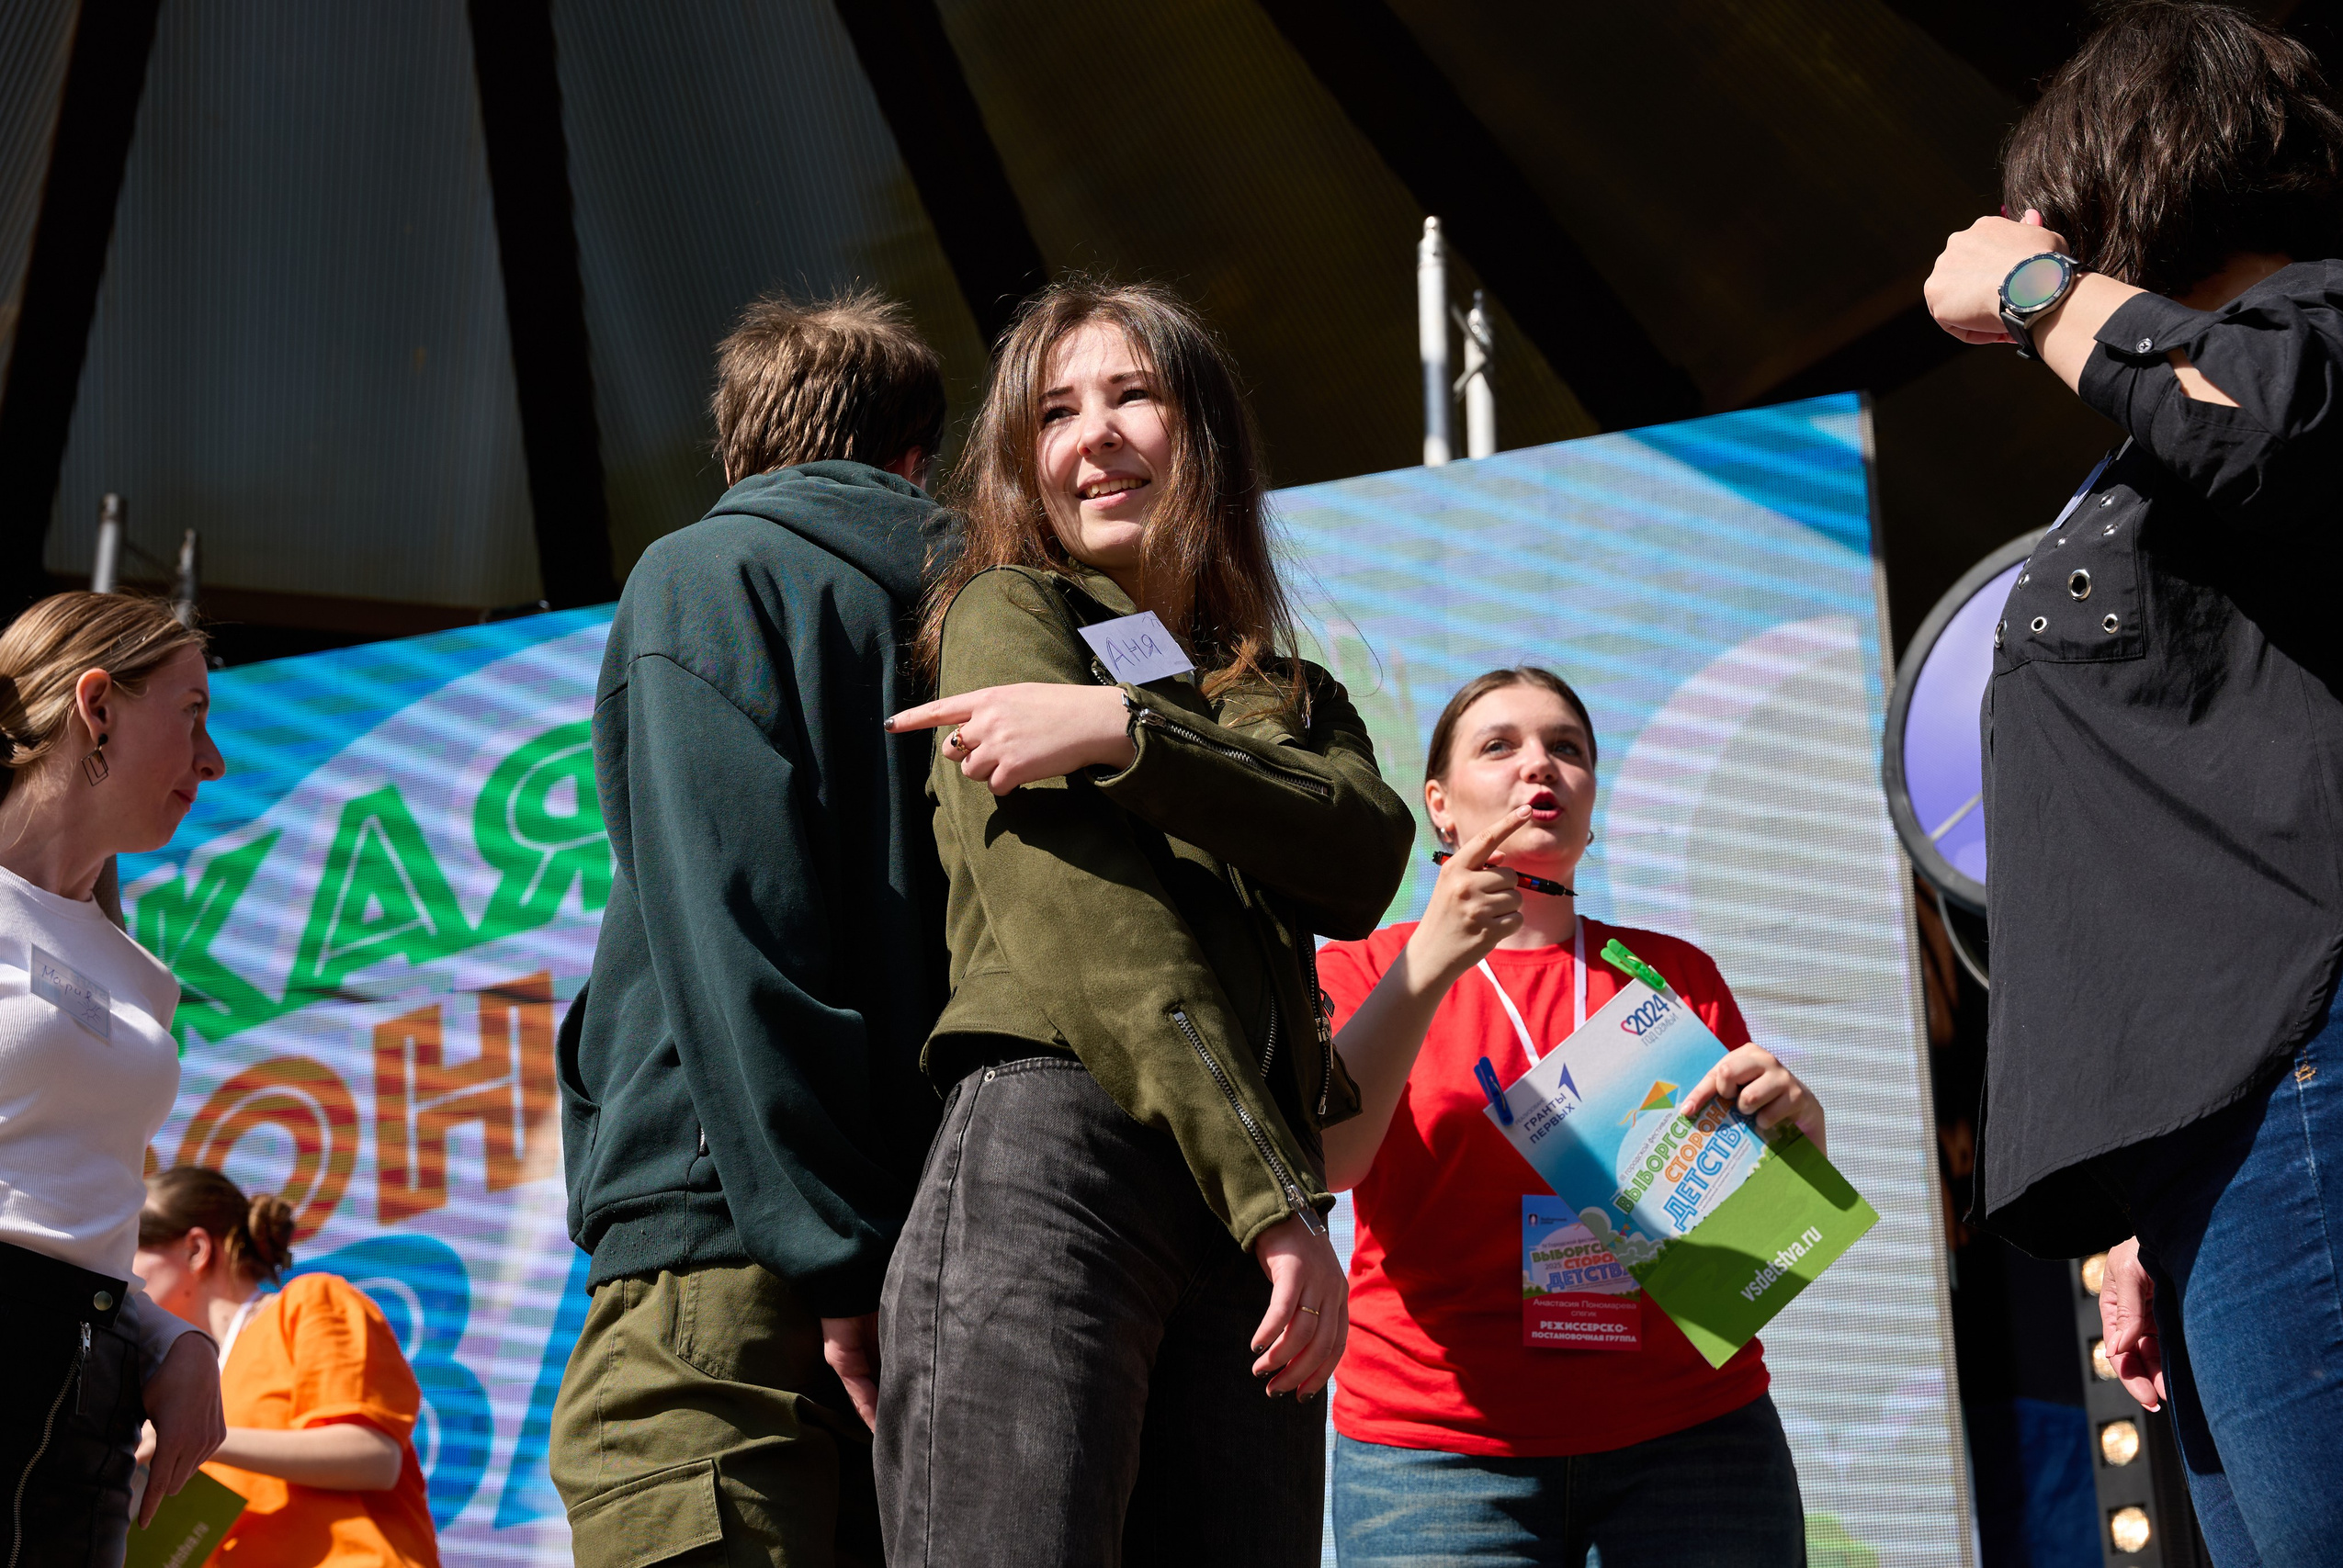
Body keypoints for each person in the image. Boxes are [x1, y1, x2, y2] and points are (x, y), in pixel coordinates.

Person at [873, 278, 1415, 1567]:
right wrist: (1277, 1202)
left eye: (1133, 394)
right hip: (1058, 1153)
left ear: (1205, 430)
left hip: (1237, 1197)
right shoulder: (1011, 611)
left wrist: (1129, 731)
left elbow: (1363, 851)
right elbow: (1103, 936)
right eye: (1056, 412)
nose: (1093, 435)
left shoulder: (1278, 683)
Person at [1921, 6, 2343, 1561]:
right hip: (2207, 1127)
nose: (2037, 234)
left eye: (2058, 204)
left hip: (2305, 1052)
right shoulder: (2140, 459)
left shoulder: (2319, 327)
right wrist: (2126, 1201)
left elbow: (2267, 430)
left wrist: (2034, 288)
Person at [551, 289, 956, 1568]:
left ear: (739, 450)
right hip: (943, 1244)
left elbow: (742, 924)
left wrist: (828, 1257)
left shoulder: (702, 571)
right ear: (912, 456)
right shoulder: (995, 613)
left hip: (731, 1252)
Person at [1313, 667, 1821, 1566]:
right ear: (1440, 803)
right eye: (1498, 745)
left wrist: (1799, 1140)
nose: (1537, 766)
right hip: (1435, 1453)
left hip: (1692, 1438)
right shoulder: (1360, 975)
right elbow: (1322, 1164)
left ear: (1590, 802)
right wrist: (1426, 966)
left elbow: (1754, 1239)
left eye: (1568, 749)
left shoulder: (1672, 974)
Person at [0, 592, 227, 1564]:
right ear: (97, 707)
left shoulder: (140, 976)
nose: (212, 760)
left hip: (91, 1394)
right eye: (191, 713)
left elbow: (73, 1203)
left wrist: (168, 1338)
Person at [133, 1166, 437, 1565]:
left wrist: (202, 1439)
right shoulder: (172, 1382)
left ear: (196, 1250)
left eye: (130, 1253)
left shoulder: (309, 1302)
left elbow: (373, 1456)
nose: (123, 1277)